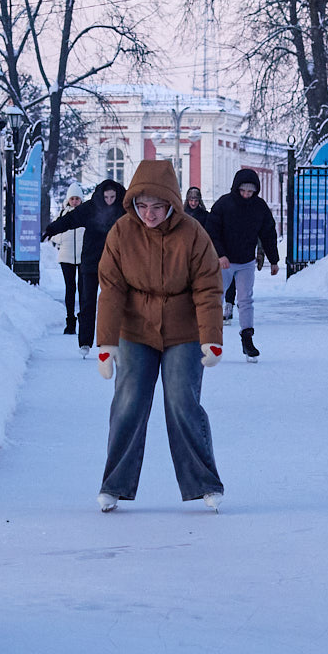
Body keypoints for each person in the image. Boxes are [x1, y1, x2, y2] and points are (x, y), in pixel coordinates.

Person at [93, 159, 225, 513]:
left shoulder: (193, 234)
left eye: (157, 206)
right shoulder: (122, 233)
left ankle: (205, 483)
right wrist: (105, 343)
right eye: (142, 205)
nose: (148, 214)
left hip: (183, 332)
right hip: (135, 331)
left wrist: (211, 337)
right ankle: (114, 485)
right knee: (128, 403)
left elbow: (208, 288)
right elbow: (111, 290)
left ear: (172, 203)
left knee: (182, 402)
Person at [41, 178, 126, 355]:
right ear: (101, 196)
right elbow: (70, 219)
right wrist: (50, 230)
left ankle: (113, 341)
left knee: (113, 302)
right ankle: (85, 342)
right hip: (90, 262)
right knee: (87, 302)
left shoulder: (123, 210)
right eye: (106, 197)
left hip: (114, 264)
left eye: (112, 197)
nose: (109, 201)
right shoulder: (91, 208)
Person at [207, 168, 280, 359]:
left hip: (246, 261)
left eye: (251, 191)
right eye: (243, 191)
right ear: (236, 188)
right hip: (224, 262)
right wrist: (220, 255)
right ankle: (211, 340)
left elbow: (268, 233)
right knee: (216, 298)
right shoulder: (224, 204)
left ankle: (247, 339)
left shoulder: (259, 207)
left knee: (246, 299)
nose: (247, 195)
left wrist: (274, 260)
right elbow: (212, 231)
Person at [51, 183, 85, 334]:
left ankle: (84, 320)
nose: (75, 201)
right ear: (68, 199)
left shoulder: (87, 213)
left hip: (84, 257)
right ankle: (70, 321)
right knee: (70, 289)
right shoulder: (62, 214)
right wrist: (62, 239)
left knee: (84, 290)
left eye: (77, 198)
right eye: (72, 198)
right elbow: (54, 232)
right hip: (66, 257)